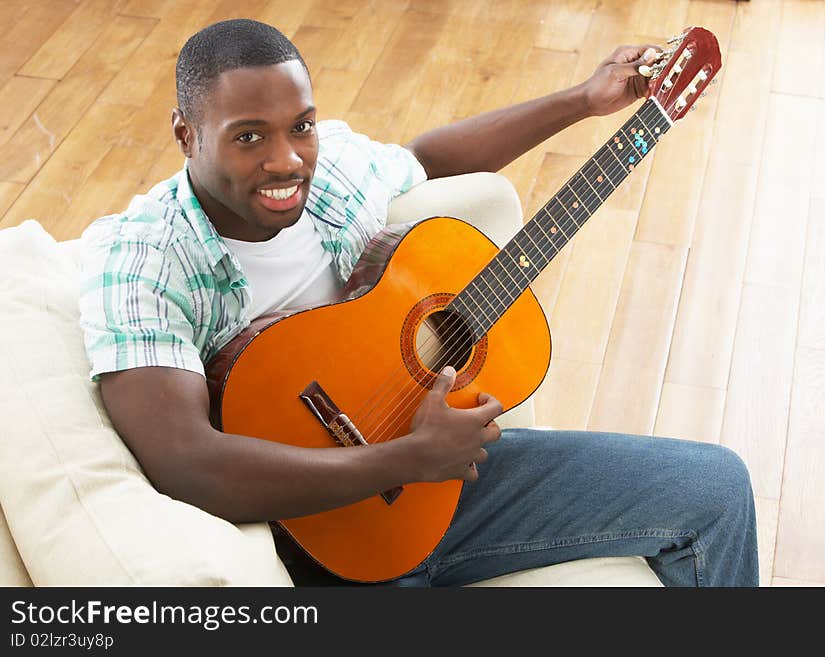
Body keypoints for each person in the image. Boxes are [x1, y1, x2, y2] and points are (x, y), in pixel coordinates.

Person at [78, 18, 758, 587]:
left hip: (436, 488)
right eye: (249, 136)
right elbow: (188, 463)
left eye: (302, 126)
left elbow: (423, 160)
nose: (288, 160)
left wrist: (584, 99)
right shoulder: (142, 262)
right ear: (185, 133)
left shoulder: (331, 168)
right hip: (312, 543)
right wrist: (407, 460)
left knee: (719, 489)